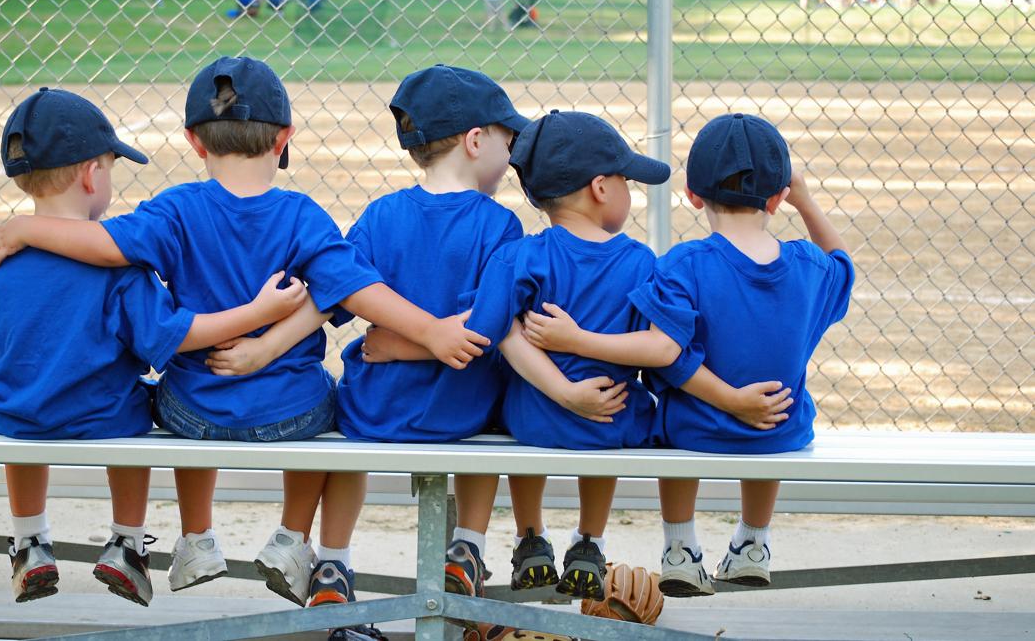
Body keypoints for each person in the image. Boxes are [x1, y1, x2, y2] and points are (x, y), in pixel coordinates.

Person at [0, 56, 491, 605]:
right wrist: (432, 331)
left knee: (177, 384)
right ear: (284, 138)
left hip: (191, 415)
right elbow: (353, 288)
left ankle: (197, 538)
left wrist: (29, 225)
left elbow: (106, 246)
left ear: (194, 141)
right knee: (328, 394)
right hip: (289, 416)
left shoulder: (175, 209)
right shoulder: (302, 215)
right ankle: (291, 538)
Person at [0, 88, 309, 607]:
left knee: (20, 400)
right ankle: (126, 542)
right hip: (100, 417)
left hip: (14, 414)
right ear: (91, 176)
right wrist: (259, 315)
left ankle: (30, 541)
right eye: (110, 168)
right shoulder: (118, 268)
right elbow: (174, 336)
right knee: (138, 402)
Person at [460, 111, 790, 602]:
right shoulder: (639, 261)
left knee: (515, 418)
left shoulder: (521, 255)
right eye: (626, 181)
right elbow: (659, 350)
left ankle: (531, 537)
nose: (630, 192)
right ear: (600, 188)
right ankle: (589, 541)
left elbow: (494, 329)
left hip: (533, 418)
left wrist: (562, 390)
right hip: (610, 421)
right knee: (614, 420)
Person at [546, 114, 852, 596]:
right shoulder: (810, 266)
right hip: (781, 433)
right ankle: (754, 543)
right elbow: (843, 265)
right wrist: (808, 202)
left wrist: (729, 400)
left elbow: (667, 357)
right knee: (775, 407)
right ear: (778, 198)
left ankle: (680, 550)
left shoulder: (683, 265)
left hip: (696, 432)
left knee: (668, 421)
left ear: (692, 195)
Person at [286, 65, 534, 614]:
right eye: (506, 140)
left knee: (347, 434)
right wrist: (437, 343)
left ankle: (333, 559)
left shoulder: (380, 215)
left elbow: (339, 297)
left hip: (376, 411)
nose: (511, 156)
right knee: (500, 403)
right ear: (475, 141)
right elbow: (488, 325)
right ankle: (468, 546)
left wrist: (400, 345)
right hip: (463, 411)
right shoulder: (500, 225)